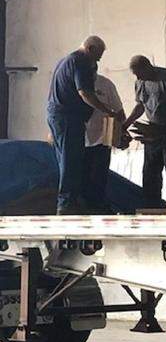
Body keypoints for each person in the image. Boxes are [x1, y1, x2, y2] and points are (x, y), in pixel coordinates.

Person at [46, 36, 118, 215]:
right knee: (72, 160)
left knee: (67, 159)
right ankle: (66, 204)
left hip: (58, 116)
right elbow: (85, 93)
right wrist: (106, 110)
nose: (99, 60)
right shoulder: (81, 61)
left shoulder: (65, 61)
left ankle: (70, 201)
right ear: (90, 48)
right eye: (98, 56)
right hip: (69, 118)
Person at [122, 55, 166, 208]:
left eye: (139, 73)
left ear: (148, 66)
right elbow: (140, 106)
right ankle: (151, 206)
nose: (138, 77)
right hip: (151, 133)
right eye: (135, 74)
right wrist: (126, 124)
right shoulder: (140, 82)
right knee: (150, 172)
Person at [83, 70, 127, 213]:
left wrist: (120, 134)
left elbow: (119, 113)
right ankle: (83, 208)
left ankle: (97, 208)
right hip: (78, 140)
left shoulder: (105, 84)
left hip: (101, 140)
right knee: (81, 179)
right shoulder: (74, 83)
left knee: (99, 178)